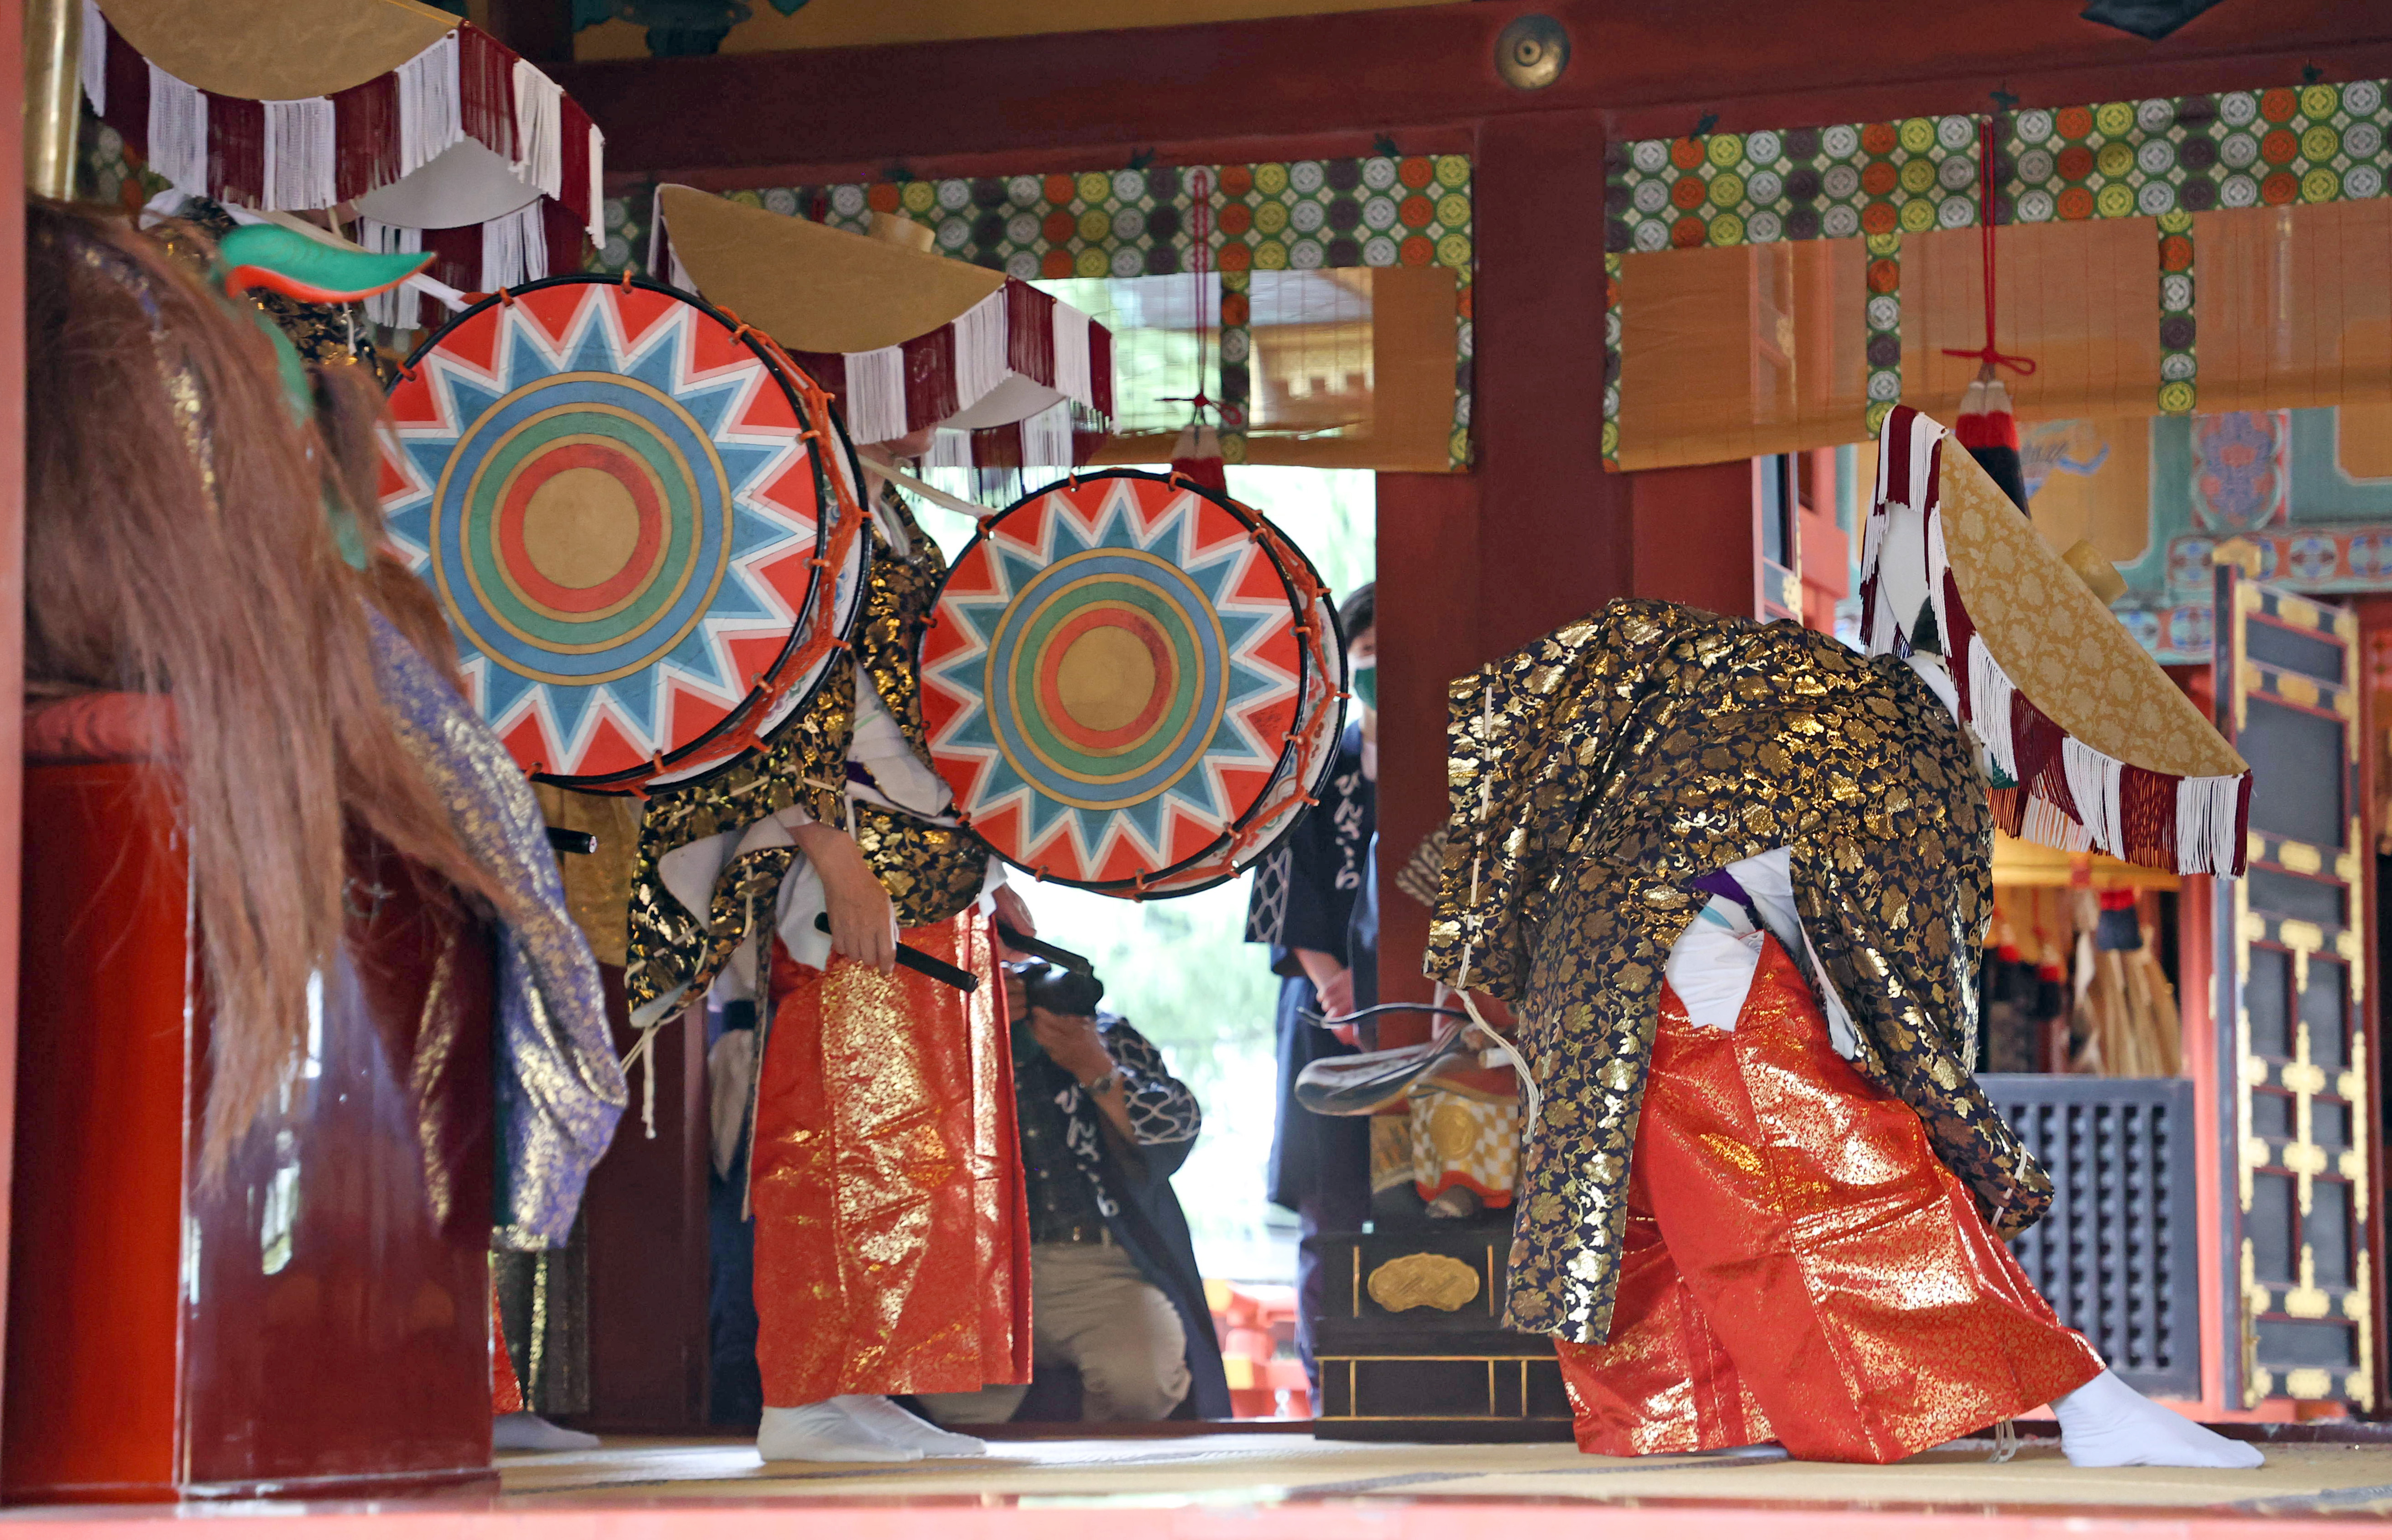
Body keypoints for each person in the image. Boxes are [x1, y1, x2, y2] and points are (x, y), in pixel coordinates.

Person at [1424, 407, 2261, 1469]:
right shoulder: (1917, 744)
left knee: (1659, 1211)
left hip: (1588, 967)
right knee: (1843, 1180)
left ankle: (1688, 1421)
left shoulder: (1803, 668)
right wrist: (1962, 1133)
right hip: (1697, 963)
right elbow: (1899, 995)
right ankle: (2082, 1396)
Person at [629, 428, 1034, 1464]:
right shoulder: (798, 509)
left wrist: (1003, 867)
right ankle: (799, 1391)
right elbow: (771, 693)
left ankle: (860, 1382)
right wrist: (830, 849)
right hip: (847, 860)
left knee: (916, 1153)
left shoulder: (890, 509)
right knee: (835, 1134)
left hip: (943, 861)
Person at [918, 950, 1231, 1425]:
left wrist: (1092, 1066)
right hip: (973, 1267)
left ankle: (1091, 1473)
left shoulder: (1098, 1031)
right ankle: (987, 1486)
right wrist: (968, 1030)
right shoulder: (930, 1032)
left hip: (1095, 1268)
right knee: (949, 1402)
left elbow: (1177, 1130)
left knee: (1141, 1383)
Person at [1246, 582, 1376, 1389]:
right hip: (1326, 1012)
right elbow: (1278, 900)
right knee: (1332, 1209)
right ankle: (1333, 1381)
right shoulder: (1317, 762)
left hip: (1434, 1017)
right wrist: (1339, 988)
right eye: (1366, 659)